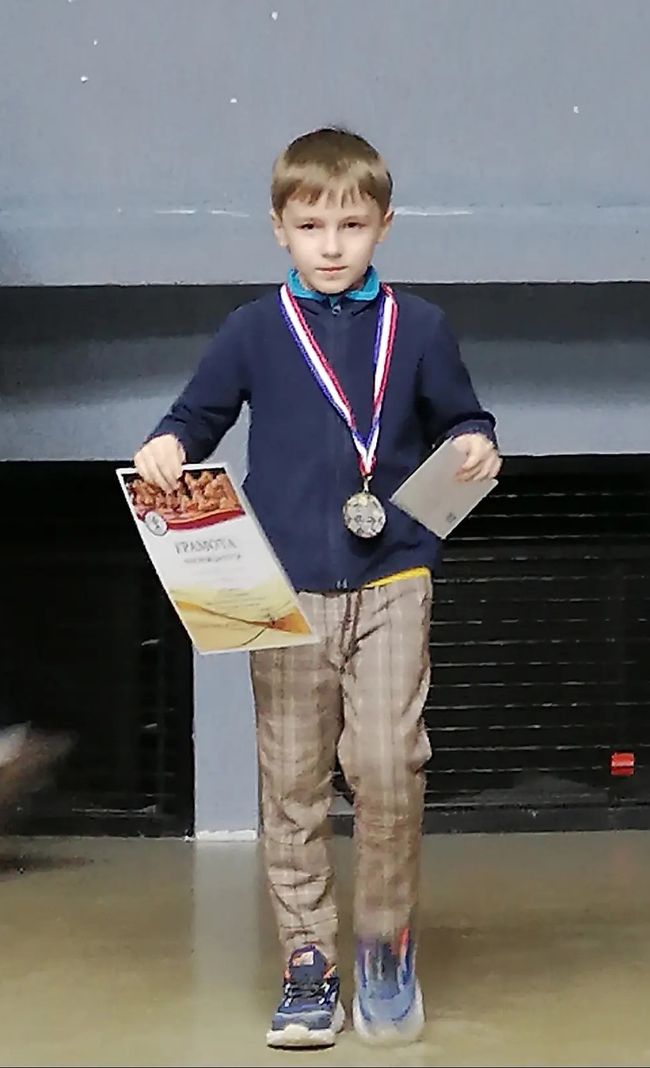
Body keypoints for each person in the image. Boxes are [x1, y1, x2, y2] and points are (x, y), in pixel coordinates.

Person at [134, 127, 501, 1048]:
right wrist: (168, 446)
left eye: (351, 225)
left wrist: (474, 442)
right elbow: (195, 416)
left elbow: (464, 416)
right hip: (282, 588)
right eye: (310, 226)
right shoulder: (253, 330)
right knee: (292, 780)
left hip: (395, 572)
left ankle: (385, 946)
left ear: (385, 225)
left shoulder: (420, 327)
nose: (331, 245)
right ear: (278, 229)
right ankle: (308, 964)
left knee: (387, 762)